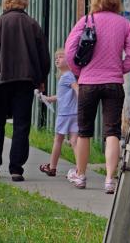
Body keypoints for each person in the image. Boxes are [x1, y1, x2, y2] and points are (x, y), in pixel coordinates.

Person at [65, 0, 130, 193]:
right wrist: (119, 68)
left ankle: (80, 176)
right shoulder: (124, 24)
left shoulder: (86, 21)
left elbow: (70, 53)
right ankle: (109, 179)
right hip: (114, 83)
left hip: (88, 83)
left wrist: (80, 72)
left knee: (84, 132)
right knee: (112, 132)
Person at [0, 0, 50, 182]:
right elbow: (43, 57)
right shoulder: (32, 24)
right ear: (24, 1)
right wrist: (41, 79)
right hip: (25, 81)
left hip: (1, 81)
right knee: (21, 125)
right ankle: (16, 169)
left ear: (6, 1)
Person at [38, 49, 79, 177]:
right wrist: (49, 99)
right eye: (56, 57)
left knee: (58, 140)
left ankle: (52, 167)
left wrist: (82, 102)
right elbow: (63, 95)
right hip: (73, 113)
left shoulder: (68, 76)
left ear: (69, 61)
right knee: (74, 141)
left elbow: (76, 88)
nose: (57, 59)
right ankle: (79, 169)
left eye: (61, 57)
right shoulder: (67, 76)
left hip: (65, 114)